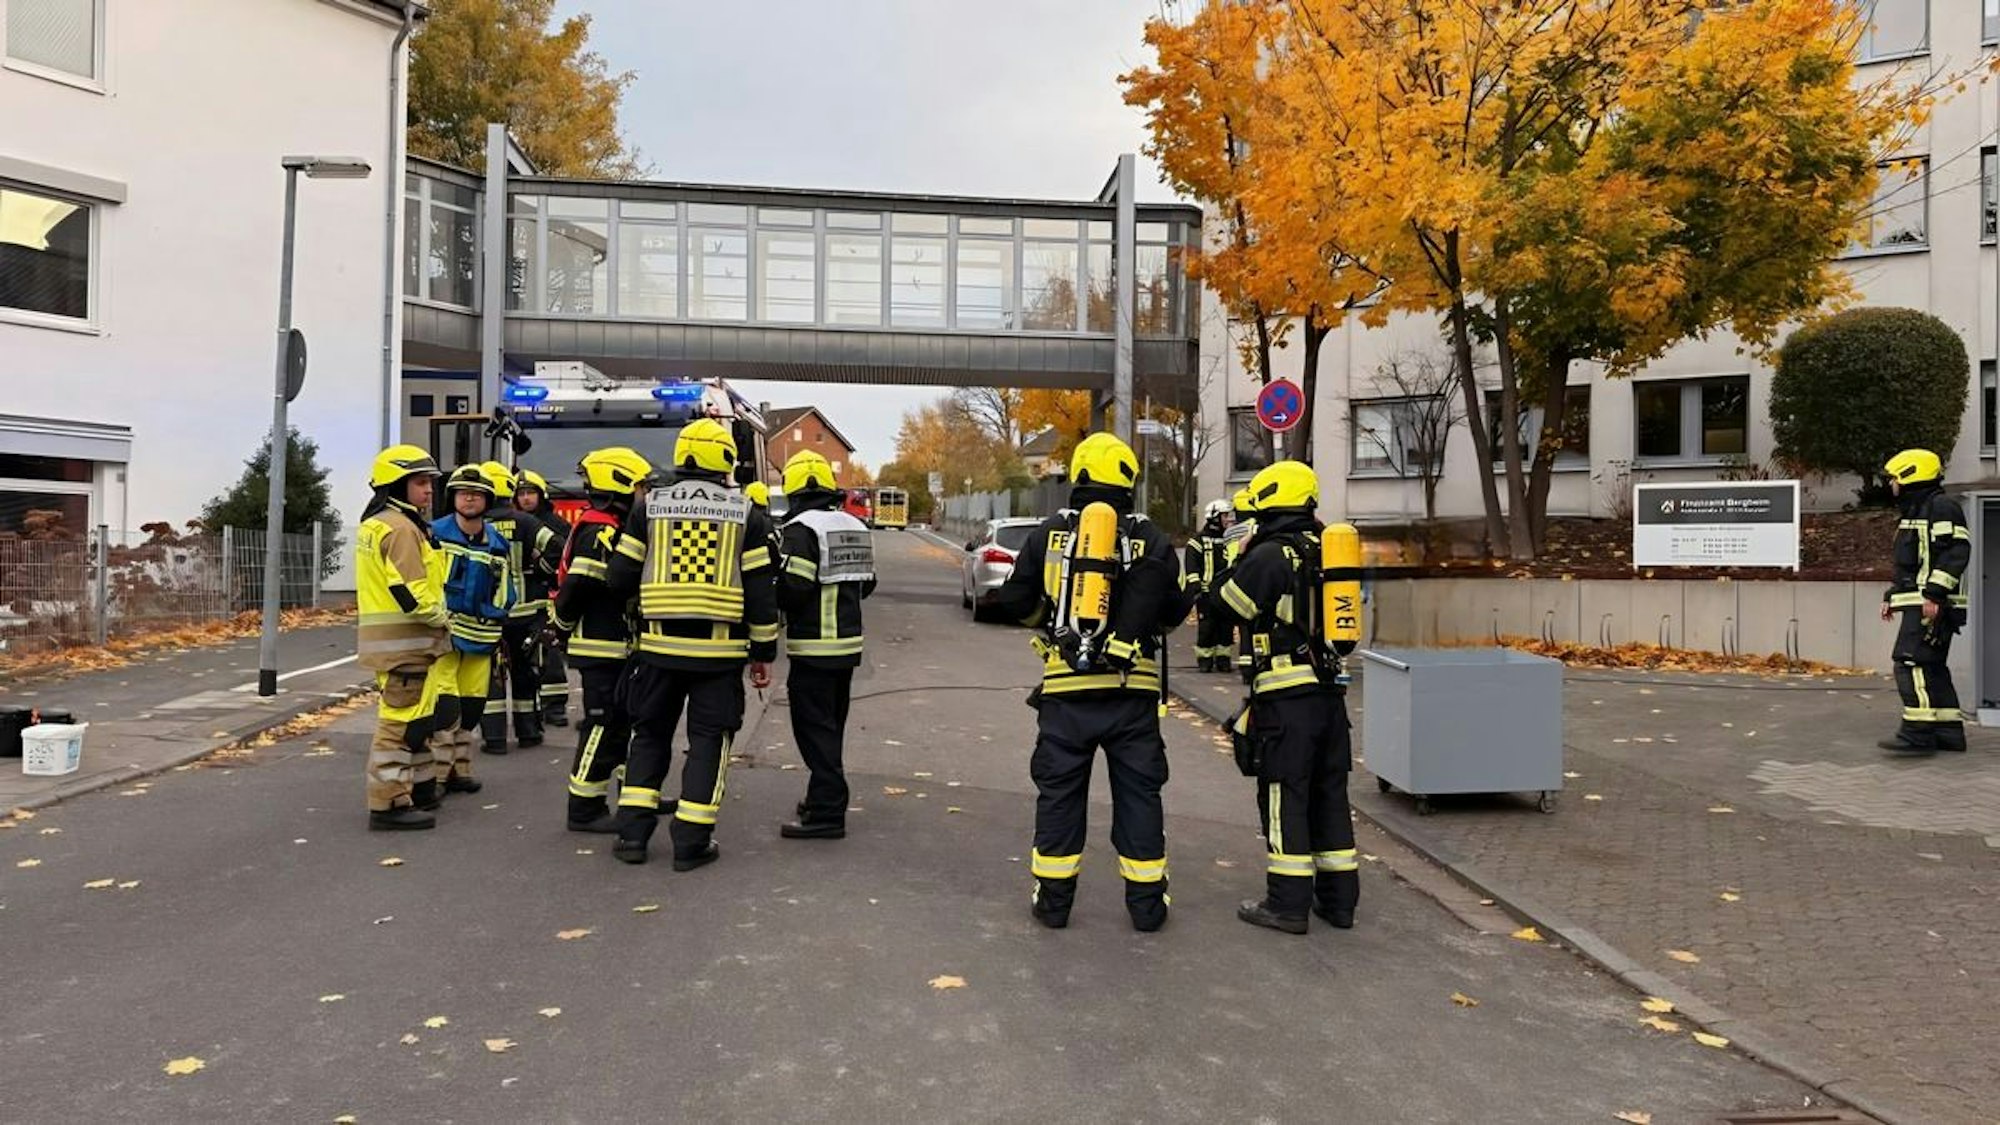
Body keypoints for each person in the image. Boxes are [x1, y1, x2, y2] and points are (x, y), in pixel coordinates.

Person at [993, 432, 1181, 933]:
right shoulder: (1150, 537)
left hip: (1065, 695)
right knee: (1140, 797)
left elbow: (1014, 600)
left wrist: (1052, 626)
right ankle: (1147, 908)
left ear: (1076, 476)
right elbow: (1171, 612)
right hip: (1131, 693)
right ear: (1128, 481)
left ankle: (1053, 904)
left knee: (1059, 796)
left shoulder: (1049, 533)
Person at [609, 418, 780, 869]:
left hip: (658, 649)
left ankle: (632, 838)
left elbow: (619, 577)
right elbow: (762, 595)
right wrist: (763, 654)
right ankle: (690, 843)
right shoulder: (748, 514)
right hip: (719, 657)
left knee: (648, 737)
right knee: (709, 742)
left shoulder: (648, 506)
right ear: (726, 459)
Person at [1205, 460, 1359, 934]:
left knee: (1284, 797)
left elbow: (1221, 606)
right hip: (1331, 700)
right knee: (1329, 795)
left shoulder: (1272, 554)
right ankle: (1338, 903)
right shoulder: (1328, 550)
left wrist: (1234, 559)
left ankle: (1287, 904)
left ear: (1270, 503)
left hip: (1286, 703)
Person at [545, 446, 652, 833]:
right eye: (640, 487)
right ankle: (585, 808)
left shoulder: (610, 527)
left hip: (616, 647)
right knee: (602, 726)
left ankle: (630, 798)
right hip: (600, 647)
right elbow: (577, 587)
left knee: (622, 725)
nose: (644, 494)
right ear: (619, 483)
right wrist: (560, 626)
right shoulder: (599, 531)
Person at [773, 450, 876, 841]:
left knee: (813, 731)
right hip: (847, 647)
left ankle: (829, 811)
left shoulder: (800, 530)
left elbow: (795, 588)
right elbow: (868, 584)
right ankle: (820, 799)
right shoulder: (854, 525)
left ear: (795, 490)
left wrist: (773, 593)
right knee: (830, 728)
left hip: (814, 646)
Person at [354, 446, 450, 831]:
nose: (429, 491)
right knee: (398, 726)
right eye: (421, 483)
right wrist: (443, 618)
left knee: (420, 720)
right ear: (397, 484)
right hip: (405, 644)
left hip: (396, 644)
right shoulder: (400, 528)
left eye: (430, 483)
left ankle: (422, 790)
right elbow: (410, 592)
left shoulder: (382, 523)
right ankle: (388, 804)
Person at [428, 465, 514, 798]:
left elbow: (507, 587)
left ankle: (459, 769)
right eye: (463, 492)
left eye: (476, 493)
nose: (469, 498)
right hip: (444, 634)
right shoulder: (433, 533)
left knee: (473, 706)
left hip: (482, 636)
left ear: (488, 499)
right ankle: (435, 776)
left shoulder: (497, 542)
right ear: (452, 497)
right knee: (445, 705)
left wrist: (499, 615)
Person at [1879, 448, 1971, 755]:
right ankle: (1948, 732)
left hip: (1931, 605)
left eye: (1893, 478)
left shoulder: (1940, 507)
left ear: (1909, 475)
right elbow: (1910, 565)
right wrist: (1891, 597)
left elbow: (1955, 552)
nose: (1890, 484)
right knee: (1932, 666)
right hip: (1922, 602)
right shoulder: (1918, 510)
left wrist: (1934, 595)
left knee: (1909, 661)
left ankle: (1917, 733)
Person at [478, 462, 559, 753]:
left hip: (488, 616)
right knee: (525, 674)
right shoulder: (525, 522)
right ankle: (529, 734)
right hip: (525, 614)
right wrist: (540, 570)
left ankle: (495, 739)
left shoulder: (475, 523)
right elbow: (557, 546)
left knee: (492, 678)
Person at [516, 469, 574, 730]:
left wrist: (543, 569)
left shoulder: (556, 524)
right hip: (520, 594)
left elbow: (566, 555)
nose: (526, 499)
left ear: (541, 496)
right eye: (521, 494)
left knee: (549, 648)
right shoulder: (513, 521)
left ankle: (556, 705)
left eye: (531, 493)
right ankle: (532, 707)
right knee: (524, 654)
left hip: (548, 592)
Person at [1184, 499, 1235, 672]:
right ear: (1214, 517)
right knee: (1207, 627)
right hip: (1205, 593)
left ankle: (1223, 659)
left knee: (1226, 627)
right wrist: (1196, 586)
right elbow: (1191, 565)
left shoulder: (1229, 539)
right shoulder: (1198, 541)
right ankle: (1205, 659)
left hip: (1226, 593)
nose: (1228, 519)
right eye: (1225, 515)